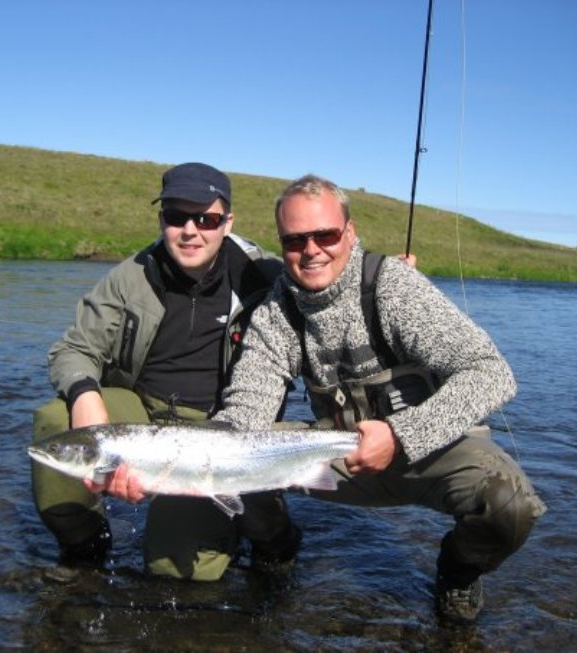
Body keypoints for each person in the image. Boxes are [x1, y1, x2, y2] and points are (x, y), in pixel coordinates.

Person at [212, 174, 546, 621]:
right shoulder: (277, 311)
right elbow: (246, 409)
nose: (311, 250)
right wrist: (183, 459)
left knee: (511, 505)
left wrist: (401, 435)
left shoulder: (393, 287)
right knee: (239, 461)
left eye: (325, 234)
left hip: (433, 453)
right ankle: (276, 546)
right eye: (294, 240)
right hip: (341, 458)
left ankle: (459, 572)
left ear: (349, 232)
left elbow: (492, 373)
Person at [31, 162, 302, 581]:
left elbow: (330, 301)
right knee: (56, 420)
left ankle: (273, 535)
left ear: (227, 223)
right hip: (142, 413)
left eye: (206, 219)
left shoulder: (264, 277)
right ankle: (84, 549)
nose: (190, 230)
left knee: (176, 573)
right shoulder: (130, 277)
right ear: (162, 220)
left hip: (224, 429)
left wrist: (377, 282)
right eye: (176, 217)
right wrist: (86, 398)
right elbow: (74, 348)